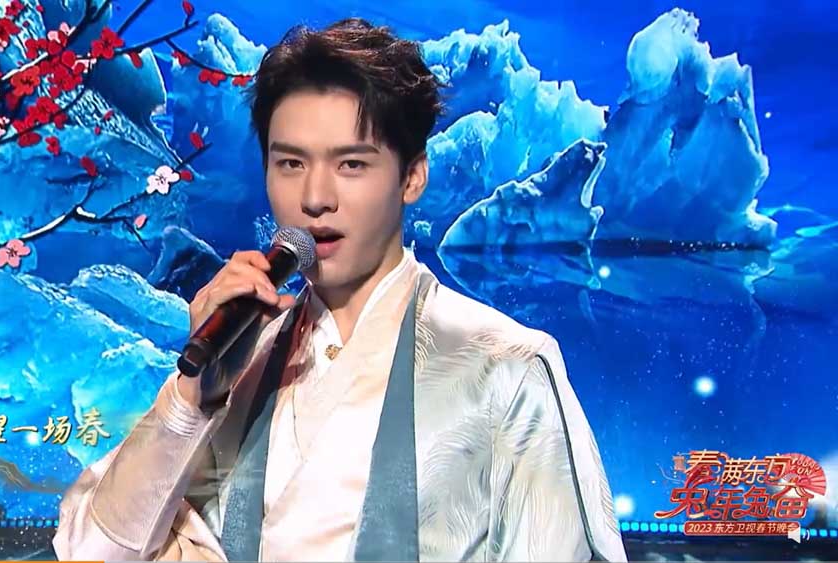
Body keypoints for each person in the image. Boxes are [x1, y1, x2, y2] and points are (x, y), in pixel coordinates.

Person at [53, 17, 627, 562]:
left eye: (351, 165)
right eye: (290, 164)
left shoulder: (506, 365)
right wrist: (192, 398)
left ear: (412, 176)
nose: (315, 198)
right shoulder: (237, 360)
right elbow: (94, 550)